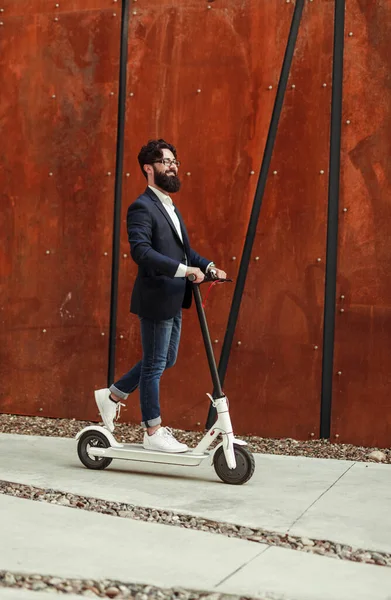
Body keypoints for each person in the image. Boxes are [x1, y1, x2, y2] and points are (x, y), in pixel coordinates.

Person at [95, 139, 226, 453]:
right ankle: (152, 431)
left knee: (165, 359)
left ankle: (113, 395)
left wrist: (207, 266)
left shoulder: (169, 205)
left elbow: (183, 251)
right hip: (156, 297)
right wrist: (185, 271)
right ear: (148, 168)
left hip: (173, 296)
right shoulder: (142, 207)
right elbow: (142, 252)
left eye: (175, 162)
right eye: (167, 162)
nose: (173, 167)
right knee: (155, 365)